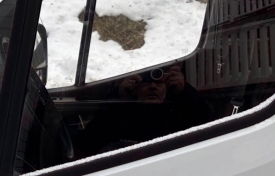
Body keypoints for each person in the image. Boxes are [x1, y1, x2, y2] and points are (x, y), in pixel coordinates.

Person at [77, 64, 213, 155]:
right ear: (134, 87)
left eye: (159, 82)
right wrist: (119, 97)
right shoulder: (121, 114)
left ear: (167, 87)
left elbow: (210, 130)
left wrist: (185, 91)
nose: (152, 87)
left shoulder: (181, 111)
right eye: (145, 83)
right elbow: (89, 143)